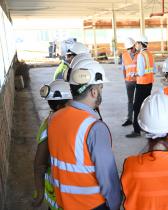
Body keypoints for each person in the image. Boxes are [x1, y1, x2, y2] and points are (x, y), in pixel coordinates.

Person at [48, 58, 122, 209]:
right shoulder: (94, 127)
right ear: (94, 91)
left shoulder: (54, 118)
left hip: (64, 202)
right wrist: (115, 205)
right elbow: (107, 177)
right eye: (101, 87)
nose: (101, 91)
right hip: (91, 204)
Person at [32, 80, 72, 210]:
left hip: (54, 195)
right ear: (65, 103)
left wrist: (39, 192)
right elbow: (40, 164)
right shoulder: (72, 125)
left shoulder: (47, 124)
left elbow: (39, 165)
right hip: (67, 197)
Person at [126, 35, 155, 138]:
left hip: (142, 84)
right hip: (149, 83)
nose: (136, 46)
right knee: (145, 106)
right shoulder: (150, 54)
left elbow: (141, 72)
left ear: (140, 43)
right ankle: (146, 127)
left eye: (137, 43)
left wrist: (134, 74)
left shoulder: (140, 55)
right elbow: (153, 70)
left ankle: (137, 130)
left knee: (136, 107)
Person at [121, 37, 137, 127]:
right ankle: (129, 119)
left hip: (139, 81)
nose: (130, 50)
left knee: (139, 101)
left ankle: (138, 119)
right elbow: (123, 68)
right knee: (130, 101)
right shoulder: (124, 55)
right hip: (129, 82)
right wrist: (125, 79)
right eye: (128, 48)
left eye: (131, 48)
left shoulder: (139, 55)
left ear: (134, 46)